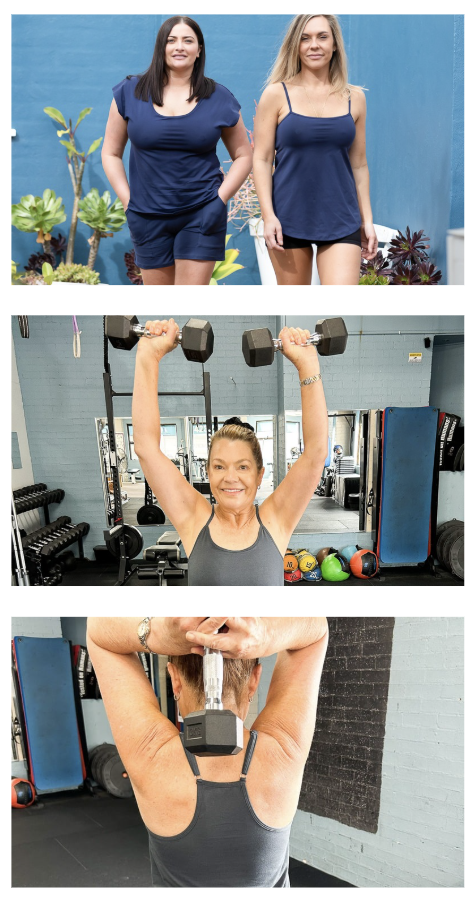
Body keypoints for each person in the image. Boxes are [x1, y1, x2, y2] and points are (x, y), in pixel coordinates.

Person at [86, 616, 329, 888]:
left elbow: (98, 633)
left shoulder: (152, 756)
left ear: (174, 681)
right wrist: (266, 634)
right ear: (254, 680)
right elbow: (316, 631)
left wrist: (158, 632)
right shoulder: (283, 753)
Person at [132, 319, 329, 586]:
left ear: (260, 475)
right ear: (208, 472)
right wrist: (148, 356)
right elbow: (145, 447)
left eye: (243, 467)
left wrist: (308, 364)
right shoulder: (194, 518)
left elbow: (316, 451)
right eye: (219, 466)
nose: (230, 477)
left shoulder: (276, 518)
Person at [102, 16, 252, 285]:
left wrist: (220, 199)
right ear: (161, 47)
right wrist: (129, 203)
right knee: (159, 314)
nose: (179, 46)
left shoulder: (219, 98)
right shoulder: (130, 92)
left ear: (199, 49)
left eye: (188, 40)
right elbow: (110, 153)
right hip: (146, 215)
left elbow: (244, 155)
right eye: (171, 40)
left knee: (189, 307)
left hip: (202, 212)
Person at [253, 14, 378, 285]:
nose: (314, 45)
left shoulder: (354, 98)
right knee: (295, 312)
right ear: (295, 46)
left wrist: (367, 220)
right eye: (305, 38)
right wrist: (268, 216)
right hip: (288, 218)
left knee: (339, 309)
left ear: (334, 45)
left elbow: (359, 164)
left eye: (322, 37)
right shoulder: (275, 94)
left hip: (341, 217)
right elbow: (261, 159)